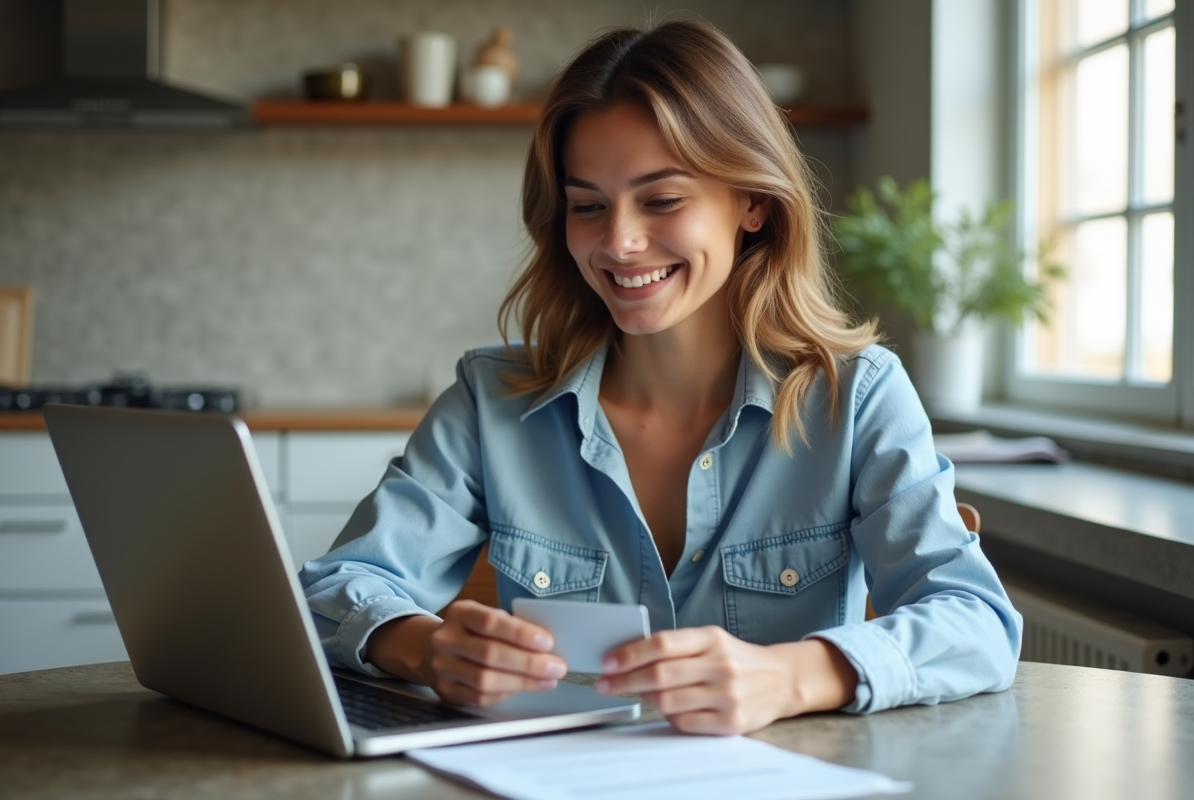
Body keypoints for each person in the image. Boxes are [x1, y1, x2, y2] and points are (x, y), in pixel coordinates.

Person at [302, 19, 1022, 735]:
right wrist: (425, 648)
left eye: (662, 199)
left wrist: (792, 675)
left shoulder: (857, 396)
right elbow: (333, 589)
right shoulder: (490, 402)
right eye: (587, 206)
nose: (618, 242)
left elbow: (978, 621)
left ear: (752, 202)